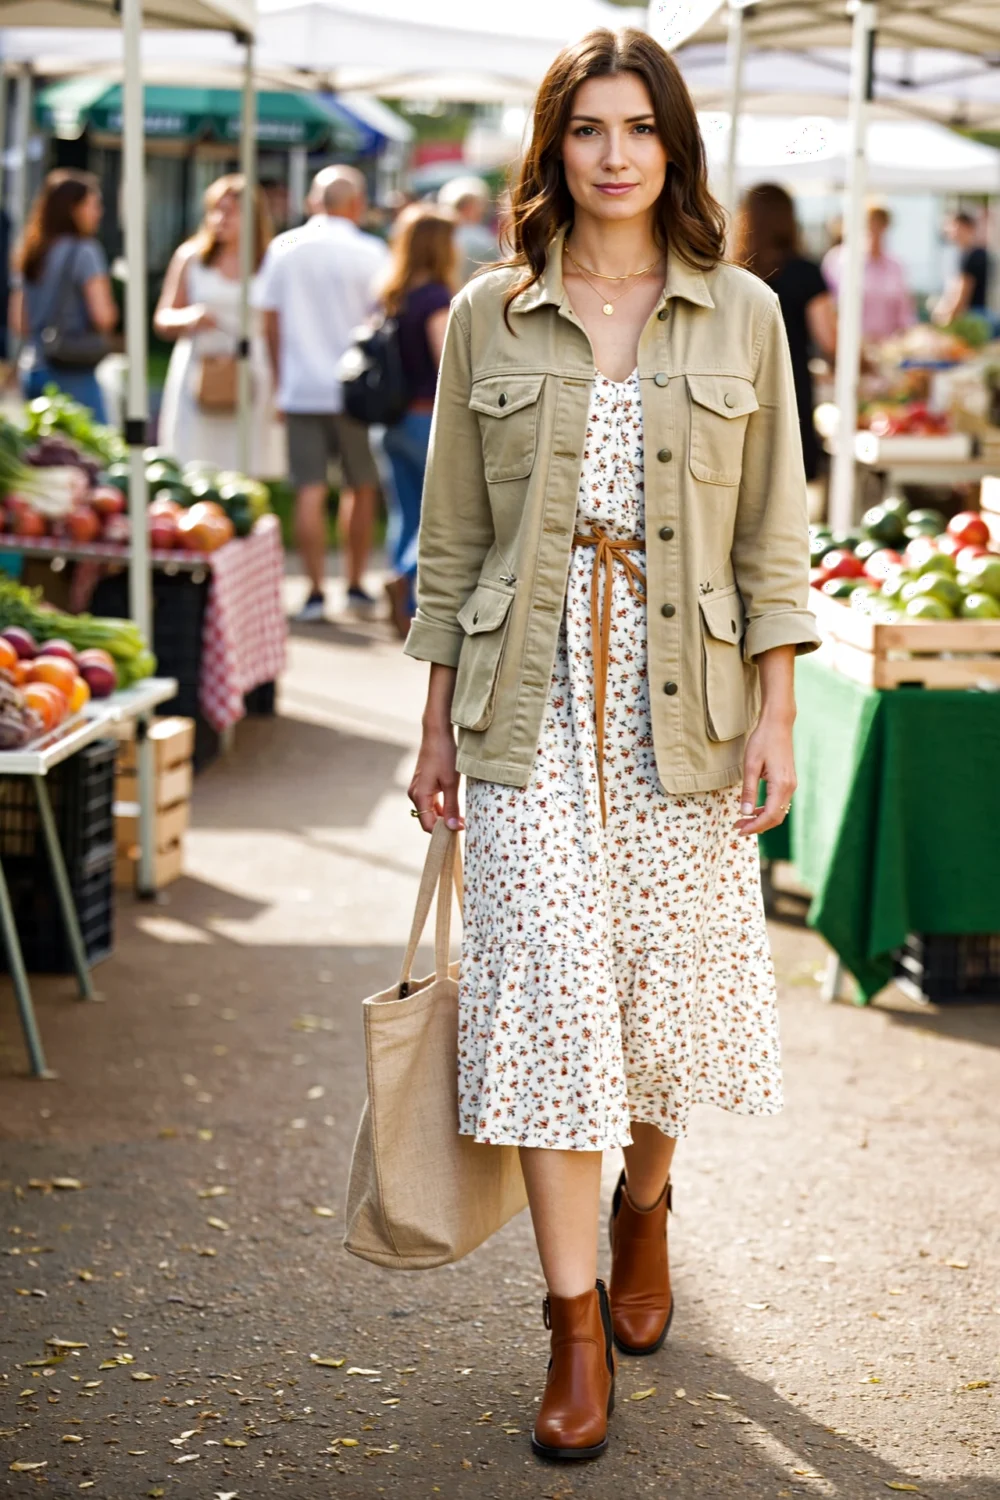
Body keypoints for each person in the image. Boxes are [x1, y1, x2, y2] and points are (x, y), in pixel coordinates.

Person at [404, 27, 819, 1463]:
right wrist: (432, 727)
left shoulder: (746, 312)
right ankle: (573, 1330)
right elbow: (451, 532)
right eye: (589, 129)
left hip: (684, 703)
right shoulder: (487, 317)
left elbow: (776, 529)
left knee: (652, 996)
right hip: (521, 704)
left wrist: (775, 711)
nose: (617, 153)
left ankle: (649, 1196)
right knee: (545, 997)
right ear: (554, 149)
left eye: (641, 127)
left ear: (675, 146)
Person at [258, 165, 388, 623]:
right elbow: (382, 319)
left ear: (315, 202)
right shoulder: (372, 250)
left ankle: (314, 591)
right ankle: (354, 582)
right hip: (357, 389)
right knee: (362, 486)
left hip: (300, 386)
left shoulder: (286, 245)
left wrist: (279, 379)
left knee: (308, 490)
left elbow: (268, 321)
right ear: (356, 203)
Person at [154, 174, 283, 477]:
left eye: (230, 211)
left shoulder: (270, 261)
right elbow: (163, 318)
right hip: (201, 368)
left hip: (252, 368)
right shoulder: (192, 258)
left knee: (246, 461)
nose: (220, 218)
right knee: (195, 459)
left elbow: (277, 327)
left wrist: (280, 381)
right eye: (215, 209)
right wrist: (191, 317)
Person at [379, 204, 458, 638]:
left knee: (405, 514)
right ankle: (407, 583)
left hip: (389, 422)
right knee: (437, 517)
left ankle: (403, 593)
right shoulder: (436, 300)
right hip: (425, 419)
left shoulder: (393, 294)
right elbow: (447, 362)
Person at [733, 183, 837, 482]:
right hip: (790, 380)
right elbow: (828, 339)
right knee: (788, 473)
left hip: (738, 379)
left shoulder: (733, 271)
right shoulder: (805, 271)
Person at [10, 168, 117, 420]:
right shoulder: (85, 251)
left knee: (43, 454)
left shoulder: (31, 251)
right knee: (91, 453)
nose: (98, 213)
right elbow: (103, 315)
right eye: (93, 205)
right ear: (73, 209)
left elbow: (19, 323)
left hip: (33, 367)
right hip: (72, 372)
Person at [821, 203, 915, 344]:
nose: (874, 231)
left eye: (879, 225)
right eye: (869, 225)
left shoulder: (895, 266)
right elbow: (827, 307)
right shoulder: (838, 260)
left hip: (887, 347)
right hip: (848, 346)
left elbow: (904, 313)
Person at [933, 210, 992, 325]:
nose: (949, 230)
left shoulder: (974, 255)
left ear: (966, 227)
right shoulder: (963, 254)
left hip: (974, 316)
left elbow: (964, 291)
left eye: (953, 226)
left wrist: (949, 318)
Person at [437, 175, 498, 285]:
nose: (482, 209)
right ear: (468, 206)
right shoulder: (477, 236)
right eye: (478, 205)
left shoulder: (444, 235)